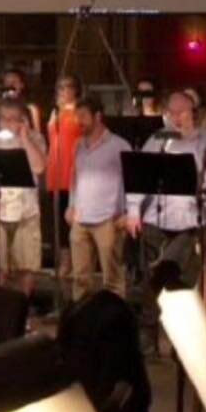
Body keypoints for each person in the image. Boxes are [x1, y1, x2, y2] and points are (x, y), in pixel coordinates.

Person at [126, 91, 206, 356]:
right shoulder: (157, 140)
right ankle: (148, 334)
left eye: (182, 112)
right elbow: (139, 177)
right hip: (156, 219)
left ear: (193, 113)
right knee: (150, 278)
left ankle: (182, 341)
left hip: (191, 222)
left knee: (182, 282)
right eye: (172, 112)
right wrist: (133, 210)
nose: (177, 117)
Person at [0, 97, 47, 300]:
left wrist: (24, 137)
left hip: (26, 211)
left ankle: (20, 314)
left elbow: (39, 167)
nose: (8, 123)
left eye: (14, 118)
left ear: (23, 119)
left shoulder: (35, 138)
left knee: (26, 267)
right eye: (4, 118)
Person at [65, 97, 130, 304]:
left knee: (112, 279)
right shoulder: (78, 146)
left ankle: (115, 322)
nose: (79, 121)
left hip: (108, 220)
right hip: (81, 219)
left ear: (98, 117)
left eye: (83, 116)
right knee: (80, 278)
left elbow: (132, 181)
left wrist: (128, 212)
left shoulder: (119, 145)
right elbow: (75, 177)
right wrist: (71, 205)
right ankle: (82, 321)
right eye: (77, 117)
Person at [46, 75, 85, 277]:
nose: (62, 91)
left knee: (73, 219)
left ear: (75, 90)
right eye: (59, 87)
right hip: (56, 169)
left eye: (66, 87)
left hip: (73, 170)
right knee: (58, 221)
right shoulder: (55, 112)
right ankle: (63, 262)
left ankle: (77, 264)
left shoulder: (80, 112)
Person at [0, 68, 44, 134]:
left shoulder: (31, 108)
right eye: (7, 82)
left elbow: (38, 135)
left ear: (22, 85)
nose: (10, 85)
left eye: (14, 82)